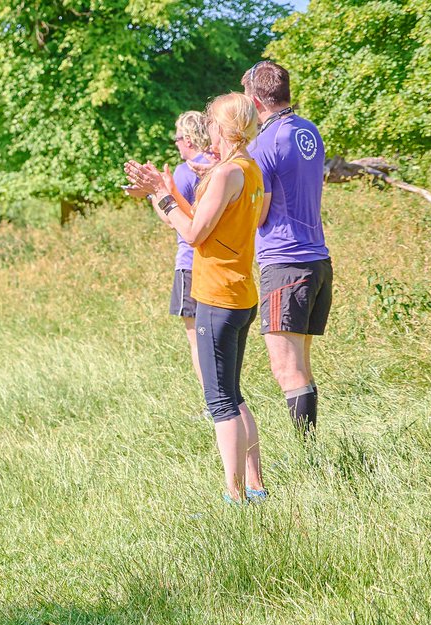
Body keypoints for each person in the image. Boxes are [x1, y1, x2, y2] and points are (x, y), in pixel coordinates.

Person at [125, 94, 267, 504]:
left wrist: (163, 194)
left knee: (220, 400)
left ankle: (234, 496)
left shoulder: (226, 174)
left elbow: (191, 234)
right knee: (235, 396)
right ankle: (254, 488)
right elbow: (196, 221)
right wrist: (162, 191)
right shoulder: (248, 169)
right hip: (238, 293)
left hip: (218, 296)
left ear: (226, 128)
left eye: (211, 123)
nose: (207, 130)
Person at [242, 61, 332, 433]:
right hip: (318, 260)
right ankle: (310, 444)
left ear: (254, 98)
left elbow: (259, 213)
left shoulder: (262, 143)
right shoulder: (309, 131)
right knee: (303, 363)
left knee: (285, 367)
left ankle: (306, 455)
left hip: (284, 263)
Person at [126, 111, 213, 389]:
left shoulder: (184, 171)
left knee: (197, 341)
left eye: (177, 138)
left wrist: (152, 193)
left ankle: (213, 404)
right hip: (218, 261)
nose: (176, 144)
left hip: (190, 262)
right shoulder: (219, 164)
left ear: (188, 138)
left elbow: (169, 218)